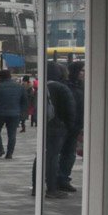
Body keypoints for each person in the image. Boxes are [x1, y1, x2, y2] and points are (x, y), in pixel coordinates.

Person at [35, 63, 75, 199]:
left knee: (41, 156)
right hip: (58, 126)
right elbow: (70, 110)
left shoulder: (44, 87)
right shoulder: (61, 88)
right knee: (52, 158)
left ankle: (36, 186)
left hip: (45, 125)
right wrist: (70, 126)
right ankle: (51, 188)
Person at [58, 62, 85, 191]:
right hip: (65, 124)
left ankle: (63, 178)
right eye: (82, 70)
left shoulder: (83, 86)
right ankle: (56, 178)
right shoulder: (65, 86)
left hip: (77, 125)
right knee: (60, 152)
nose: (83, 73)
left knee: (70, 153)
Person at [0, 69, 27, 159]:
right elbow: (24, 101)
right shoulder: (20, 87)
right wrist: (22, 113)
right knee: (12, 134)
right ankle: (9, 153)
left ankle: (0, 149)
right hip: (14, 114)